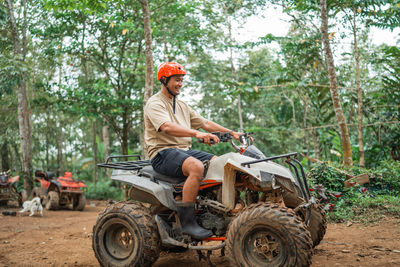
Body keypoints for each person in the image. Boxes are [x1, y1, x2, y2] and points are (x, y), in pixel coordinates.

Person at [144, 62, 242, 239]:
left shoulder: (182, 105)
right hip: (162, 153)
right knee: (196, 167)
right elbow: (166, 127)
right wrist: (197, 134)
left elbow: (205, 124)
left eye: (181, 80)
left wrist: (231, 132)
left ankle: (217, 210)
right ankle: (188, 224)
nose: (180, 84)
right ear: (164, 80)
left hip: (183, 151)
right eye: (176, 80)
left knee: (220, 164)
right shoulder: (155, 103)